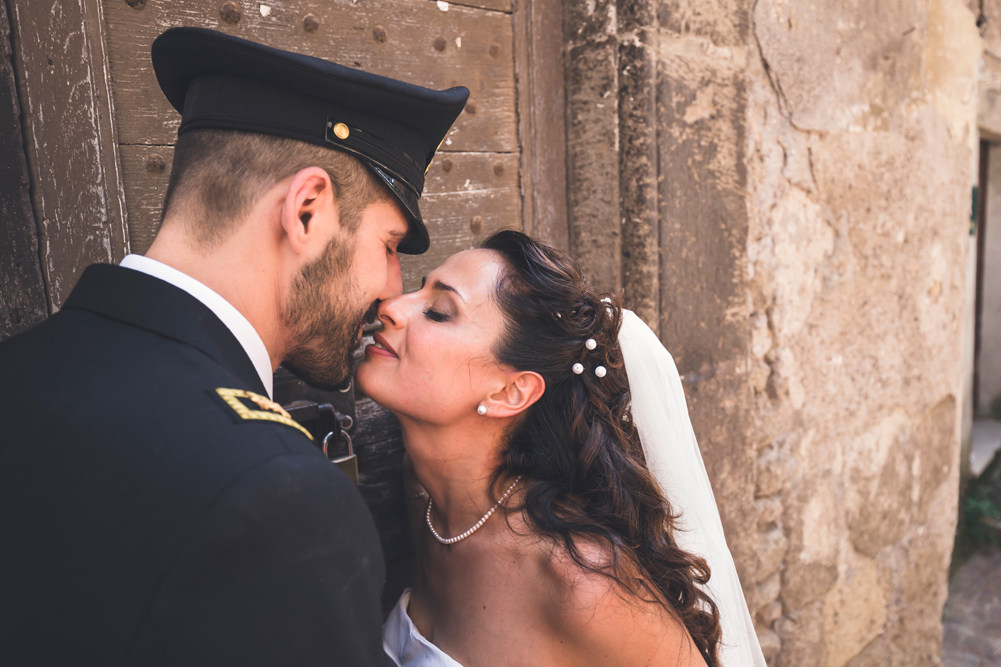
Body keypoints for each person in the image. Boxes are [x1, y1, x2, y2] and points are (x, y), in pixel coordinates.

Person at [0, 27, 467, 666]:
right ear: (306, 210)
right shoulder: (281, 500)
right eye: (388, 246)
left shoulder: (20, 368)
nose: (391, 291)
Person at [357, 230, 766, 666]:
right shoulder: (428, 498)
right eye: (420, 289)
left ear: (511, 392)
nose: (391, 307)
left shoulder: (581, 579)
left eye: (439, 313)